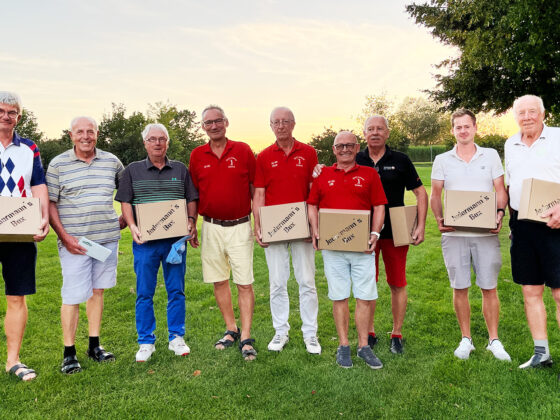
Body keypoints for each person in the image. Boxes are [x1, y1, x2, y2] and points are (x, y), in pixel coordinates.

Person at [47, 116, 125, 374]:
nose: (85, 136)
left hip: (105, 240)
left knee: (97, 292)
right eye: (80, 132)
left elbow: (127, 194)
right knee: (72, 297)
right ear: (71, 135)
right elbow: (50, 204)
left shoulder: (112, 162)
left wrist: (124, 220)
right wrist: (64, 238)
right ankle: (69, 353)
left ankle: (94, 346)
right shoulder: (58, 164)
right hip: (75, 244)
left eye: (90, 131)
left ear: (97, 134)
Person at [430, 109, 510, 361]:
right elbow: (435, 193)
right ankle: (466, 339)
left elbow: (500, 188)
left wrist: (499, 212)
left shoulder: (491, 155)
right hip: (454, 235)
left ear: (475, 128)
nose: (463, 131)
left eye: (467, 126)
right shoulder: (442, 159)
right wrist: (439, 220)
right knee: (460, 286)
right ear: (452, 130)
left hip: (485, 233)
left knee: (489, 286)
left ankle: (494, 340)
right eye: (458, 127)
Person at [115, 123, 198, 362]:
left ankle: (176, 337)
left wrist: (191, 220)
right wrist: (131, 226)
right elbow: (126, 203)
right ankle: (146, 341)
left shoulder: (180, 169)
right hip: (146, 242)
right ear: (145, 143)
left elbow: (191, 198)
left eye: (162, 139)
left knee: (176, 290)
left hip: (174, 242)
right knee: (144, 292)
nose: (158, 143)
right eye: (152, 139)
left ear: (167, 143)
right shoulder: (132, 170)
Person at [307, 131, 387, 368]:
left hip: (362, 248)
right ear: (333, 149)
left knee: (364, 296)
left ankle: (363, 346)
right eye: (340, 146)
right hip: (334, 249)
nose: (344, 149)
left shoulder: (369, 174)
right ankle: (343, 346)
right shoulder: (323, 175)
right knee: (339, 295)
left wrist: (375, 233)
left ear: (356, 147)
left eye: (349, 145)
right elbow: (312, 205)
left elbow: (379, 205)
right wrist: (316, 230)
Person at [189, 105, 257, 361]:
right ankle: (231, 329)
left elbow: (254, 189)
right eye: (208, 123)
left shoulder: (242, 150)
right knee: (219, 280)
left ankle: (247, 336)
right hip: (211, 227)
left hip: (240, 225)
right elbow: (193, 193)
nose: (214, 126)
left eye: (218, 121)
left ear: (226, 122)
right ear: (203, 127)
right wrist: (191, 222)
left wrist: (258, 221)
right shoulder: (197, 155)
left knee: (244, 282)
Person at [253, 107, 321, 354]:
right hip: (274, 227)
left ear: (293, 124)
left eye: (285, 121)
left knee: (306, 281)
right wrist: (258, 225)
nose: (281, 126)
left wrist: (315, 225)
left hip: (302, 225)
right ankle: (280, 331)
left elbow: (315, 190)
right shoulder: (263, 156)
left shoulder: (309, 152)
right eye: (276, 122)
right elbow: (259, 193)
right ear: (270, 126)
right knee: (278, 282)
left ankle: (310, 333)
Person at [357, 115, 428, 354]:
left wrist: (420, 225)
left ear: (387, 133)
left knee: (397, 282)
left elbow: (420, 193)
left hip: (396, 231)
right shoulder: (356, 159)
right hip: (364, 232)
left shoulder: (401, 160)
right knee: (368, 283)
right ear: (364, 133)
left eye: (380, 129)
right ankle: (370, 331)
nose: (375, 132)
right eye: (370, 129)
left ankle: (397, 333)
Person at [504, 95, 560, 371]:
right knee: (530, 290)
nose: (526, 117)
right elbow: (510, 184)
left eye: (531, 111)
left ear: (543, 113)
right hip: (523, 226)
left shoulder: (558, 138)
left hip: (555, 224)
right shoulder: (510, 144)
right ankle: (542, 354)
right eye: (521, 113)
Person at [0, 91, 49, 381]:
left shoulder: (29, 147)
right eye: (1, 110)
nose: (6, 116)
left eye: (12, 112)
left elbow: (38, 184)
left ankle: (13, 361)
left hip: (18, 230)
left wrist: (42, 218)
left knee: (16, 296)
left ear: (19, 116)